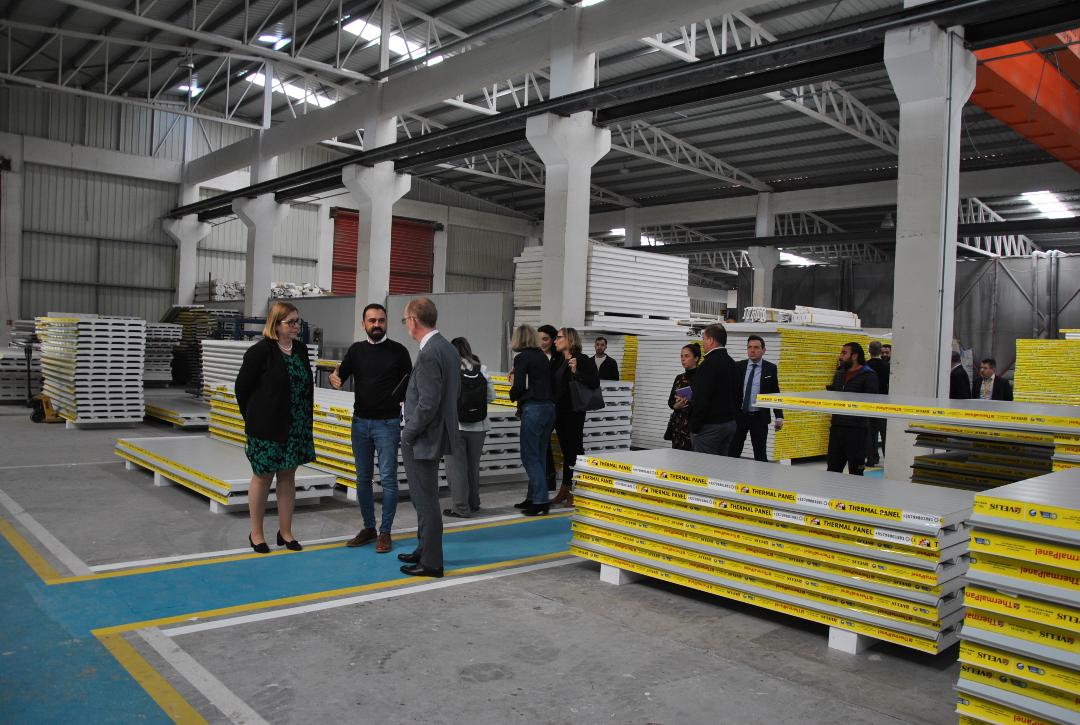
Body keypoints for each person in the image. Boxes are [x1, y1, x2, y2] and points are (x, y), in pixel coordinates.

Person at [330, 303, 412, 554]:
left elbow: (411, 383)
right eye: (372, 320)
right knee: (363, 479)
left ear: (386, 322)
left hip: (388, 424)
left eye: (381, 320)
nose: (377, 324)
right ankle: (369, 528)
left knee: (388, 479)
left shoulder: (399, 351)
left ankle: (385, 531)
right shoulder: (356, 351)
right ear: (363, 324)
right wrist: (334, 378)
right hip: (360, 424)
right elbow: (339, 376)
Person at [234, 302, 315, 553]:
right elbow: (241, 389)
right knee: (263, 477)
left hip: (296, 427)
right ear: (276, 324)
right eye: (291, 322)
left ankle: (286, 532)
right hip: (266, 428)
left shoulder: (300, 350)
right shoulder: (260, 352)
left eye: (297, 322)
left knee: (288, 477)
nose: (296, 326)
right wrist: (253, 419)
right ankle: (256, 534)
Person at [397, 298, 459, 578]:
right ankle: (424, 548)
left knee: (425, 500)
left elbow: (428, 403)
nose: (406, 325)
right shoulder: (447, 348)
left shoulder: (429, 353)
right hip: (435, 433)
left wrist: (408, 432)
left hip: (422, 437)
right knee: (424, 497)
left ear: (413, 320)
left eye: (405, 320)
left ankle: (432, 562)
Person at [442, 337, 496, 519]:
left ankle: (460, 507)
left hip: (455, 426)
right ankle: (474, 503)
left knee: (456, 469)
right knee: (473, 467)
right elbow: (491, 396)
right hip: (479, 426)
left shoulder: (450, 370)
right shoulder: (482, 369)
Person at [508, 324, 556, 516]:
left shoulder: (522, 358)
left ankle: (540, 500)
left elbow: (520, 387)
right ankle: (533, 496)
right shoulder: (542, 357)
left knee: (529, 456)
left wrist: (512, 393)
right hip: (549, 408)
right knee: (540, 454)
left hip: (534, 408)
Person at [551, 327, 600, 506]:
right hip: (560, 412)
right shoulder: (558, 360)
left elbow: (594, 382)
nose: (555, 341)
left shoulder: (582, 359)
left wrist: (576, 372)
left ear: (570, 339)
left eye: (559, 337)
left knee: (575, 451)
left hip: (574, 412)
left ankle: (576, 490)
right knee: (566, 452)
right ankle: (565, 489)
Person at [825, 342, 879, 475]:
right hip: (837, 427)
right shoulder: (839, 374)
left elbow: (871, 403)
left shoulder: (869, 375)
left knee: (856, 471)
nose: (840, 356)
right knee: (832, 470)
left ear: (854, 356)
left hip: (857, 431)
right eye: (841, 353)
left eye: (844, 353)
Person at [729, 335, 784, 461]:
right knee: (732, 452)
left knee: (760, 455)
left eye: (756, 347)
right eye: (749, 347)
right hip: (740, 416)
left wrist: (779, 416)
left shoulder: (770, 368)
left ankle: (761, 474)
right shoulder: (738, 366)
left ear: (764, 350)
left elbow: (775, 392)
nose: (752, 350)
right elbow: (731, 391)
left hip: (759, 417)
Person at [689, 323, 741, 456]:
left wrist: (694, 427)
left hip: (709, 427)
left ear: (710, 340)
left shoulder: (707, 365)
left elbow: (701, 399)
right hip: (729, 424)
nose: (702, 343)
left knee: (704, 465)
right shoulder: (732, 364)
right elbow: (738, 395)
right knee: (721, 464)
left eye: (703, 339)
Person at [537, 324, 559, 492]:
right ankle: (547, 479)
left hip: (558, 405)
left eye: (545, 339)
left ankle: (551, 480)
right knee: (542, 443)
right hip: (540, 406)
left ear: (553, 340)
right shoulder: (534, 357)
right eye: (539, 339)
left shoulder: (559, 358)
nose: (542, 342)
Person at [666, 343, 701, 451]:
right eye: (681, 356)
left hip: (693, 425)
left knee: (692, 457)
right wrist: (676, 405)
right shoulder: (679, 378)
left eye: (686, 356)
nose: (683, 359)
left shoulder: (701, 377)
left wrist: (689, 402)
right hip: (678, 425)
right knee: (676, 456)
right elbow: (670, 401)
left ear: (696, 358)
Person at [863, 341, 889, 467]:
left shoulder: (865, 366)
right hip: (884, 403)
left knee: (870, 433)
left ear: (869, 351)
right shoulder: (887, 366)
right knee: (884, 433)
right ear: (881, 351)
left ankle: (871, 459)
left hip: (868, 403)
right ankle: (887, 459)